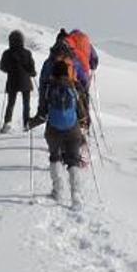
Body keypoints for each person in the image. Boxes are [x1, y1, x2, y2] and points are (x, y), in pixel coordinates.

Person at [38, 53, 90, 205]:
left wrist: (30, 123)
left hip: (53, 130)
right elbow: (82, 113)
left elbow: (42, 113)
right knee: (73, 160)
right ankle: (76, 195)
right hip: (72, 129)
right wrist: (83, 125)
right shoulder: (73, 88)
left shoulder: (48, 89)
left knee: (54, 157)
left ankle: (58, 190)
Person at [0, 30, 36, 132]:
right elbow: (32, 69)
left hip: (12, 81)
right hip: (25, 81)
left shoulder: (7, 53)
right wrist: (32, 73)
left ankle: (7, 124)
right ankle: (26, 124)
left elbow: (2, 67)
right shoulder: (27, 53)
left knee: (10, 103)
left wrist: (10, 70)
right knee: (26, 104)